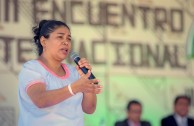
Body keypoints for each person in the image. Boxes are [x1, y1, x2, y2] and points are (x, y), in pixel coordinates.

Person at [18, 20, 103, 126]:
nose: (66, 42)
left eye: (69, 38)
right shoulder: (32, 68)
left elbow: (89, 109)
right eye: (60, 37)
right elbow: (41, 100)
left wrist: (86, 80)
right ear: (44, 41)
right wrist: (74, 88)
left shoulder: (74, 71)